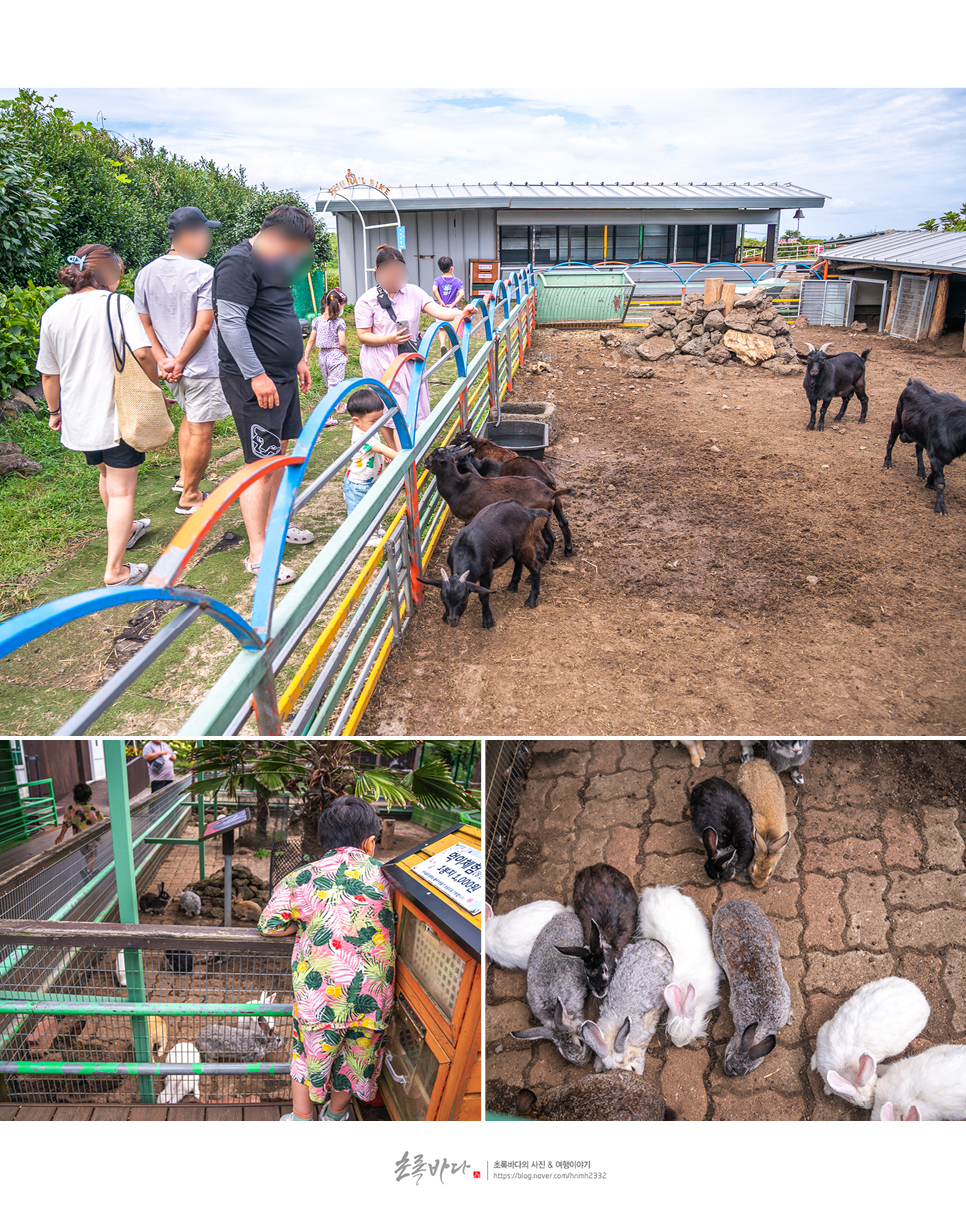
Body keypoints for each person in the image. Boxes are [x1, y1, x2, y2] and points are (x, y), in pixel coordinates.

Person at [258, 794, 395, 1122]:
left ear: (325, 841)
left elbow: (268, 924)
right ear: (370, 841)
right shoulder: (391, 877)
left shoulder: (303, 877)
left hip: (319, 997)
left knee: (306, 1056)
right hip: (371, 996)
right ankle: (335, 1118)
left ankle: (302, 1120)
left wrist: (302, 925)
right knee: (357, 1060)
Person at [36, 245, 158, 587]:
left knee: (106, 476)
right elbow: (144, 354)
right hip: (115, 411)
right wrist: (153, 388)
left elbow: (49, 374)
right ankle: (116, 570)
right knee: (122, 491)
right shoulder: (116, 304)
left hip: (79, 415)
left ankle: (128, 529)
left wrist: (54, 411)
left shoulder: (54, 312)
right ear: (107, 273)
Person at [212, 205, 317, 586]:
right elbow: (231, 321)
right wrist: (256, 374)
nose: (295, 258)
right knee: (261, 462)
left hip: (282, 376)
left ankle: (276, 525)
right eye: (294, 248)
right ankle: (258, 551)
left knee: (279, 454)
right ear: (277, 238)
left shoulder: (274, 265)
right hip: (256, 382)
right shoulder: (238, 263)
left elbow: (278, 314)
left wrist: (297, 361)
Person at [134, 206, 231, 515]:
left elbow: (144, 324)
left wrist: (165, 361)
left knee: (190, 418)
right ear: (187, 235)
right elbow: (203, 325)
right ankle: (190, 495)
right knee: (202, 428)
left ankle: (184, 480)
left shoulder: (145, 273)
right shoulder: (204, 273)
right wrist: (180, 360)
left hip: (170, 369)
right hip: (201, 366)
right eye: (205, 232)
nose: (209, 238)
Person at [355, 245, 468, 448]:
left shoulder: (414, 293)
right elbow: (363, 336)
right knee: (387, 411)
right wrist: (388, 339)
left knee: (407, 410)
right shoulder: (367, 301)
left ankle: (402, 460)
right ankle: (397, 458)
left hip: (407, 359)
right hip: (380, 363)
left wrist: (461, 313)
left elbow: (439, 311)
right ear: (377, 271)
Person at [342, 388, 397, 537]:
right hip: (357, 484)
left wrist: (383, 458)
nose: (378, 425)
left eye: (380, 420)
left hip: (370, 480)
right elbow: (379, 448)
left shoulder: (367, 428)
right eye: (374, 421)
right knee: (357, 514)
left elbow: (376, 451)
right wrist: (401, 456)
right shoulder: (361, 436)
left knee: (372, 507)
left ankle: (374, 529)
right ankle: (362, 537)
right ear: (356, 421)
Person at [304, 288, 348, 427]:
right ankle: (326, 416)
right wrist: (345, 352)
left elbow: (311, 340)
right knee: (334, 387)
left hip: (322, 355)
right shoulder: (339, 322)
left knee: (331, 385)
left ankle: (340, 406)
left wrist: (306, 357)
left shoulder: (317, 320)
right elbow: (342, 342)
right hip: (336, 354)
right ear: (339, 305)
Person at [54, 782, 105, 878]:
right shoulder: (93, 809)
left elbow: (66, 822)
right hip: (92, 839)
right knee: (93, 854)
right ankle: (87, 870)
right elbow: (102, 821)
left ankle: (91, 870)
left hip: (79, 839)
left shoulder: (71, 809)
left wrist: (61, 835)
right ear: (89, 797)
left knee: (88, 854)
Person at [432, 256, 465, 354]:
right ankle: (450, 351)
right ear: (452, 268)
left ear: (440, 269)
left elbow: (434, 289)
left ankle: (442, 345)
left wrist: (441, 301)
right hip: (452, 309)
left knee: (442, 330)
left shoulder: (437, 280)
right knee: (452, 331)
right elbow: (462, 293)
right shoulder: (457, 281)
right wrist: (452, 304)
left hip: (441, 309)